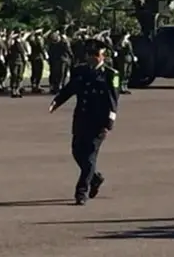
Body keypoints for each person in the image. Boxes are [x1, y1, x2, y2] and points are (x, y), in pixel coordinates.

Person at [48, 38, 120, 205]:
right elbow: (70, 89)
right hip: (81, 119)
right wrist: (56, 102)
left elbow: (113, 101)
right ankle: (94, 178)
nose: (95, 58)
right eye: (92, 55)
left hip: (98, 122)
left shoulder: (110, 74)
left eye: (98, 55)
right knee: (77, 152)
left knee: (89, 157)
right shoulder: (80, 71)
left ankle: (82, 191)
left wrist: (109, 124)